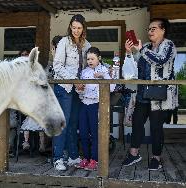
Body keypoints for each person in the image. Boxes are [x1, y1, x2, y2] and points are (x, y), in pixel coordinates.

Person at [122, 18, 178, 171]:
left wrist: (141, 50)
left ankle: (156, 158)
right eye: (148, 29)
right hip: (142, 93)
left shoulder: (169, 45)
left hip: (159, 95)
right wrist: (129, 53)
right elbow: (136, 68)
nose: (150, 31)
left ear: (163, 30)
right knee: (137, 124)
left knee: (155, 127)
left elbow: (160, 61)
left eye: (153, 28)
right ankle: (134, 154)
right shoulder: (145, 46)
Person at [52, 14, 91, 171]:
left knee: (74, 122)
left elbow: (88, 66)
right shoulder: (64, 42)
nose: (76, 30)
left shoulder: (87, 44)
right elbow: (57, 65)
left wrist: (83, 81)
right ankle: (58, 158)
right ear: (70, 27)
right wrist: (74, 80)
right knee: (63, 122)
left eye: (79, 28)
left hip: (78, 88)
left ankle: (73, 156)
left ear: (83, 28)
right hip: (64, 87)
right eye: (73, 27)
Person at [75, 47, 115, 170]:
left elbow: (112, 87)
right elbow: (80, 90)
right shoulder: (84, 72)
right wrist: (79, 89)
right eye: (88, 59)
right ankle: (86, 158)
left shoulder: (105, 70)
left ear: (99, 58)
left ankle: (95, 160)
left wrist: (103, 76)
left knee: (95, 133)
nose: (90, 61)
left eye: (92, 58)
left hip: (96, 105)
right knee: (83, 132)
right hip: (84, 104)